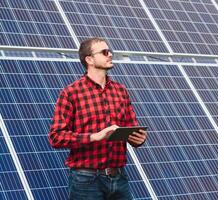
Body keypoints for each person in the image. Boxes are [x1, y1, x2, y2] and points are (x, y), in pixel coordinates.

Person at [48, 37, 147, 200]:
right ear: (89, 59)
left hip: (119, 177)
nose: (110, 55)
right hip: (86, 180)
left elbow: (131, 127)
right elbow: (56, 137)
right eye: (104, 52)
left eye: (110, 52)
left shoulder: (120, 91)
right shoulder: (71, 93)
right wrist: (96, 136)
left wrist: (139, 138)